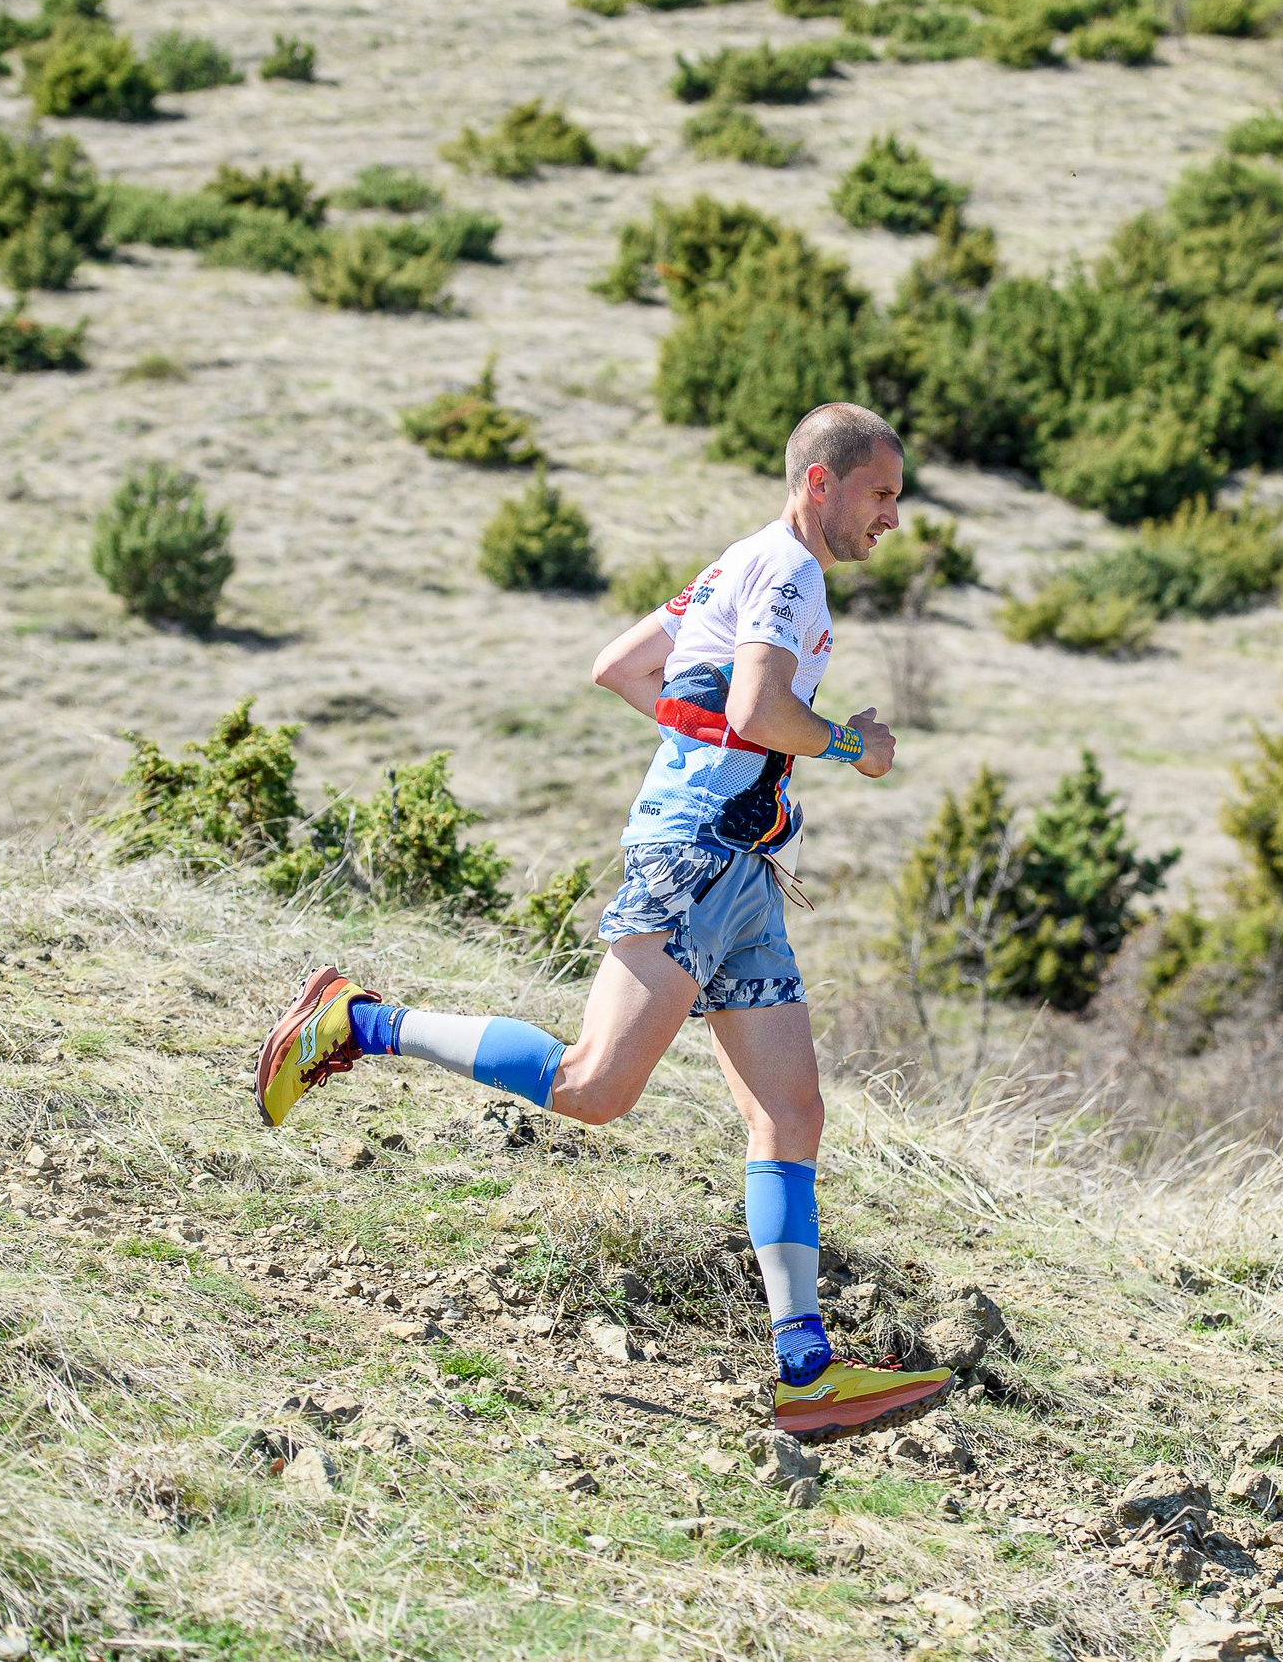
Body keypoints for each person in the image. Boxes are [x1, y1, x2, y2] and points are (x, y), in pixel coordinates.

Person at [252, 402, 954, 1443]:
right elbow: (763, 708)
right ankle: (355, 1023)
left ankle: (804, 1369)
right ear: (821, 483)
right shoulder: (790, 573)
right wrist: (852, 745)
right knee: (591, 1087)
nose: (892, 516)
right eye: (880, 494)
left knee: (789, 1113)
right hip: (695, 858)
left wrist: (714, 753)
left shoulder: (736, 564)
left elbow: (622, 667)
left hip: (742, 870)